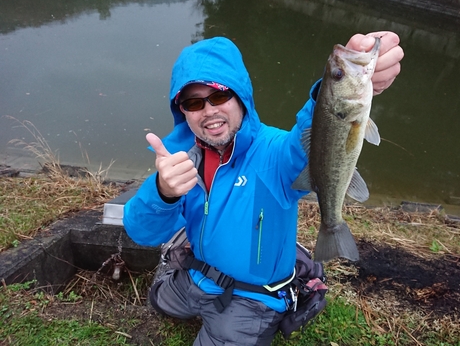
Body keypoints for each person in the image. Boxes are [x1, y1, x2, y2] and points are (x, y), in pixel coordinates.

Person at [123, 32, 404, 345]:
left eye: (219, 95)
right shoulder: (179, 159)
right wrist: (163, 192)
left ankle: (290, 287)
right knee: (159, 301)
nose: (209, 110)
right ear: (182, 110)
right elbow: (140, 231)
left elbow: (309, 140)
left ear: (240, 96)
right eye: (193, 102)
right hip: (197, 275)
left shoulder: (274, 152)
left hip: (253, 297)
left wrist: (338, 84)